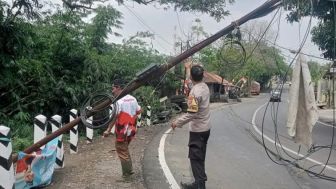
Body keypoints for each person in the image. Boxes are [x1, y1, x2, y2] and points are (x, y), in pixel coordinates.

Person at [171, 65, 211, 189]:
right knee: (200, 158)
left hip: (197, 131)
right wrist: (188, 68)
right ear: (203, 76)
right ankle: (197, 183)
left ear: (192, 77)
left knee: (195, 160)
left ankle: (200, 186)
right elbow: (191, 82)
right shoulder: (204, 87)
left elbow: (191, 114)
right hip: (206, 129)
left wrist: (177, 122)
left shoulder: (195, 93)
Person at [103, 78, 142, 179]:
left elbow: (115, 116)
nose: (112, 91)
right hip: (132, 130)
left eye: (113, 88)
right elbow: (139, 111)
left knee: (121, 149)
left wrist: (108, 130)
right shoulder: (133, 98)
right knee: (124, 149)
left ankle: (127, 175)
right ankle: (129, 170)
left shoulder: (118, 101)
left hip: (122, 131)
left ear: (118, 88)